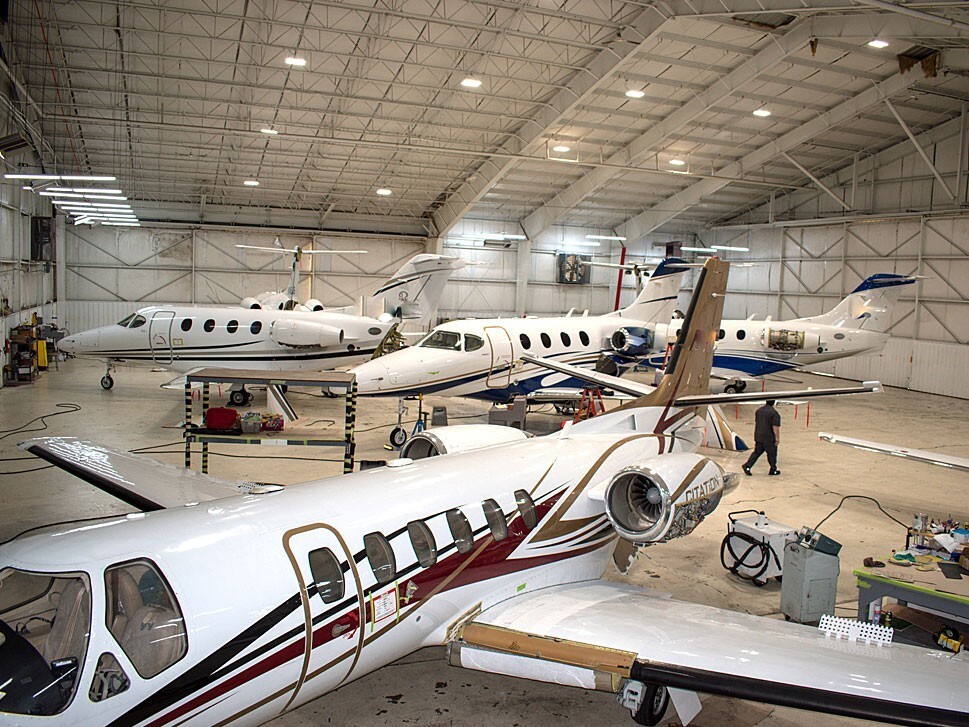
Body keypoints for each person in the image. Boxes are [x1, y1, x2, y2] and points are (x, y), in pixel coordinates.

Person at [742, 399, 781, 476]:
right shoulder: (774, 413)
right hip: (769, 437)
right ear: (774, 402)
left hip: (759, 436)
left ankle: (747, 466)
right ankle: (773, 469)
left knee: (757, 452)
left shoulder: (759, 411)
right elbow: (775, 426)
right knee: (772, 454)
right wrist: (777, 438)